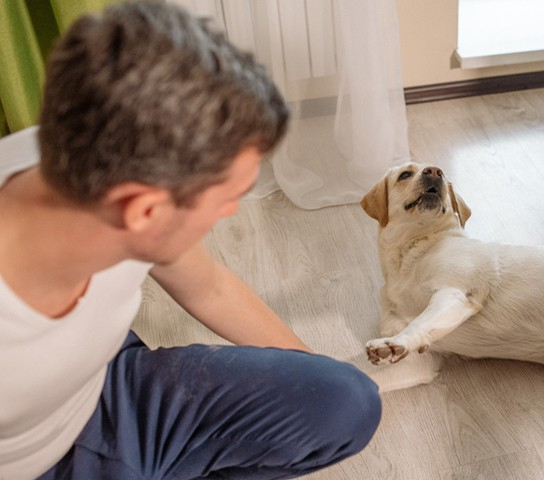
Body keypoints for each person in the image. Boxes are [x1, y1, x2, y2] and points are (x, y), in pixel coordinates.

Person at [0, 3, 381, 479]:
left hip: (106, 380)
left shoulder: (77, 148)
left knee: (342, 400)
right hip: (40, 465)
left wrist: (312, 378)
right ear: (142, 210)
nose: (231, 212)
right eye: (225, 197)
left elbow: (210, 287)